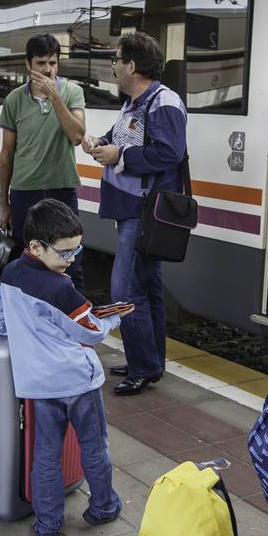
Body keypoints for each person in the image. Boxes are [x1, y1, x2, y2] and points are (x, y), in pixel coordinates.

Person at [0, 199, 126, 536]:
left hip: (37, 385)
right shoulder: (62, 289)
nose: (72, 259)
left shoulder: (9, 276)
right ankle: (103, 507)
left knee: (45, 455)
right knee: (93, 448)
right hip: (78, 382)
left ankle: (47, 526)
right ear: (36, 246)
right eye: (65, 253)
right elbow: (91, 331)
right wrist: (115, 317)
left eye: (76, 251)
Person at [85, 32, 187, 396]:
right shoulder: (135, 103)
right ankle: (148, 360)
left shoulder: (163, 102)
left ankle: (144, 367)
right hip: (130, 206)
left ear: (131, 65)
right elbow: (121, 137)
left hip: (144, 211)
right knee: (146, 286)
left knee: (125, 289)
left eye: (116, 59)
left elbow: (169, 153)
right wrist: (100, 143)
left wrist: (120, 157)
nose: (112, 65)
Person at [0, 33, 88, 291]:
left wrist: (55, 97)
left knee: (70, 260)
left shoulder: (72, 92)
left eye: (53, 63)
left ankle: (74, 320)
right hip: (25, 190)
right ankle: (30, 317)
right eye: (41, 63)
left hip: (62, 188)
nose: (48, 69)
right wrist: (4, 203)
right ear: (28, 65)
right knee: (29, 260)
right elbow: (6, 154)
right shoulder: (14, 100)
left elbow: (77, 135)